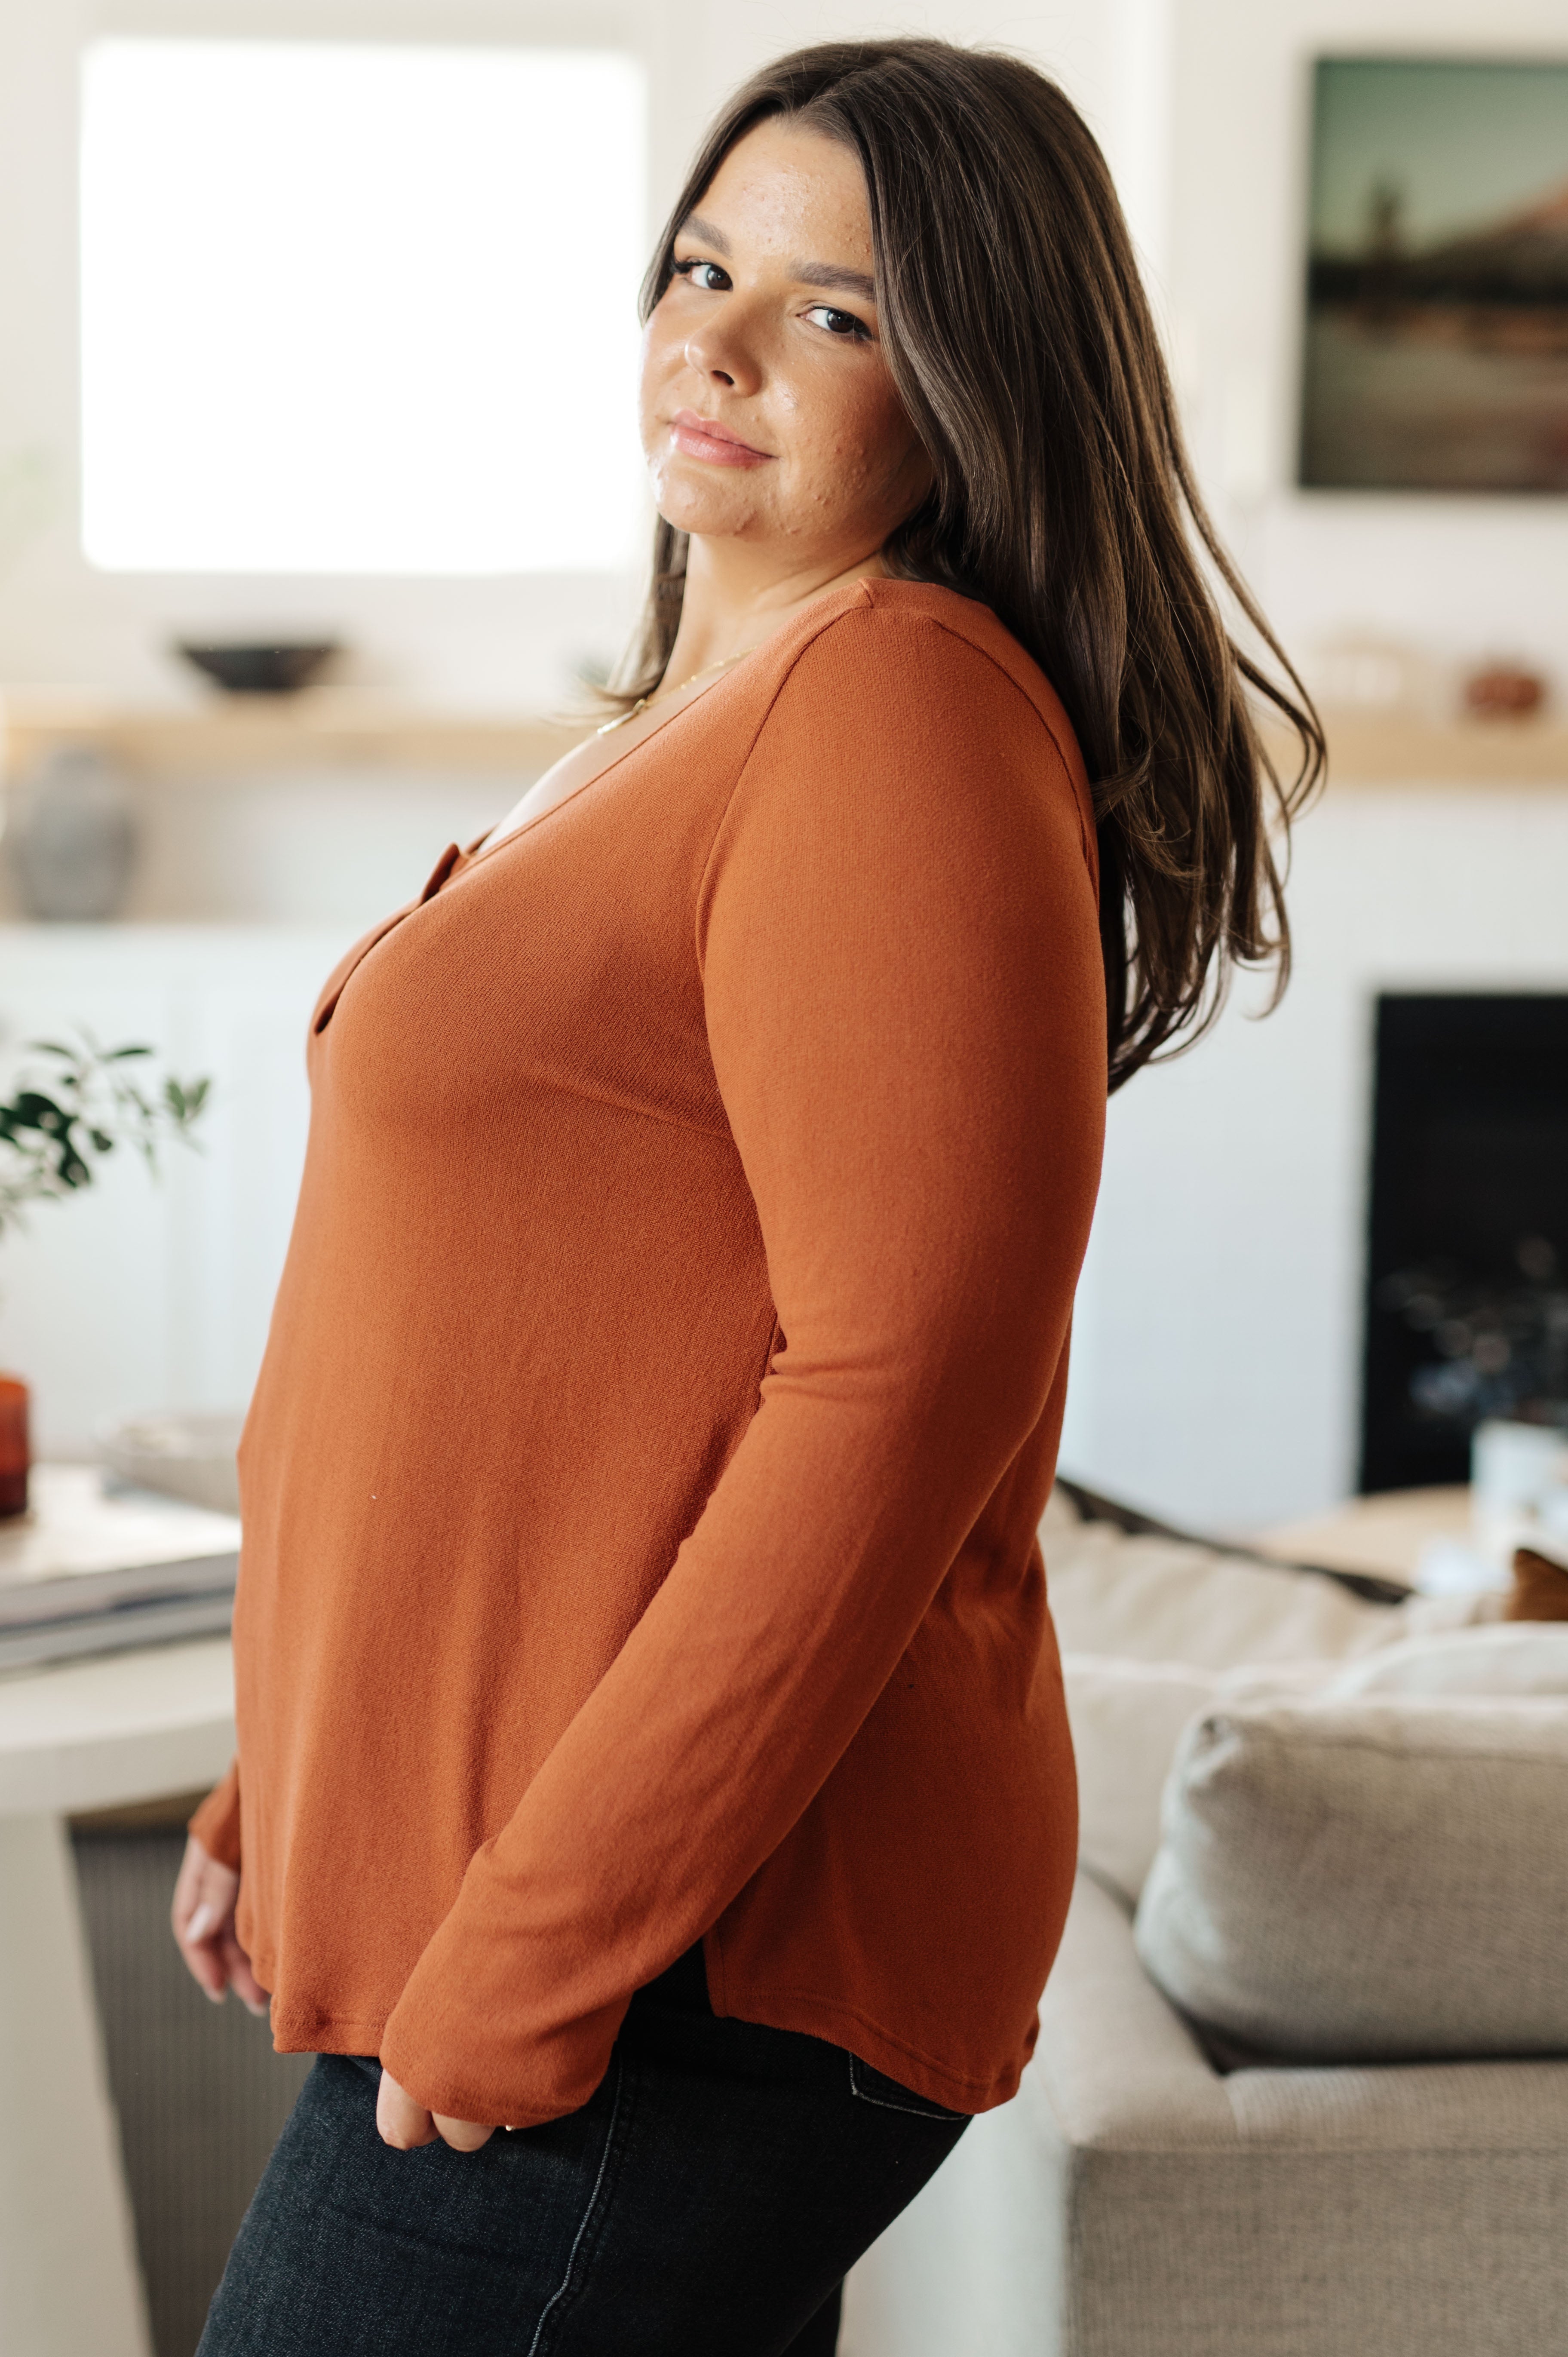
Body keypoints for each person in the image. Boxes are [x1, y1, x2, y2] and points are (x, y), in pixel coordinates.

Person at [174, 37, 1319, 2356]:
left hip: (684, 1959)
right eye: (703, 266)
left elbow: (898, 1391)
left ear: (981, 383)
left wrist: (534, 1949)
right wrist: (286, 1772)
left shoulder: (891, 707)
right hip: (560, 1902)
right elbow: (520, 1337)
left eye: (836, 310)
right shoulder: (686, 711)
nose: (713, 339)